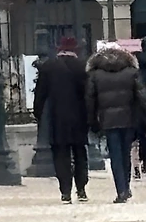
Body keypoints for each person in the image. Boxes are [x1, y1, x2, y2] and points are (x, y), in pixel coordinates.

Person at [87, 42, 146, 202]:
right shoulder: (131, 72)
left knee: (115, 155)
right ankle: (126, 186)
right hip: (129, 119)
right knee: (126, 153)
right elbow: (141, 97)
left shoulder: (95, 74)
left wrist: (92, 121)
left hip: (108, 120)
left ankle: (121, 190)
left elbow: (90, 100)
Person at [33, 36, 89, 202]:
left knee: (60, 154)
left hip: (57, 117)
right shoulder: (82, 67)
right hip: (79, 117)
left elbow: (40, 94)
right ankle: (81, 188)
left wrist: (38, 113)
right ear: (75, 50)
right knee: (80, 152)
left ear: (59, 49)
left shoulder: (49, 67)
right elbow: (89, 94)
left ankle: (65, 191)